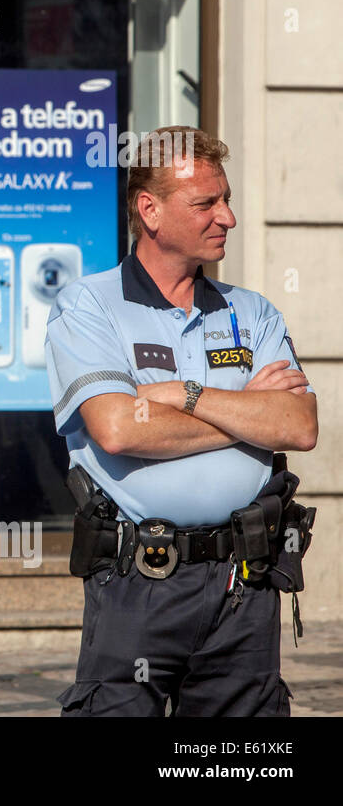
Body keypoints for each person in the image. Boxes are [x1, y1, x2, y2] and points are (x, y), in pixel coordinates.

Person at [45, 126, 318, 717]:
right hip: (139, 579)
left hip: (244, 580)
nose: (228, 217)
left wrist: (187, 394)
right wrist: (247, 409)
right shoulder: (88, 306)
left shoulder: (252, 311)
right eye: (206, 203)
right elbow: (120, 428)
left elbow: (298, 425)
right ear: (150, 210)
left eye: (227, 199)